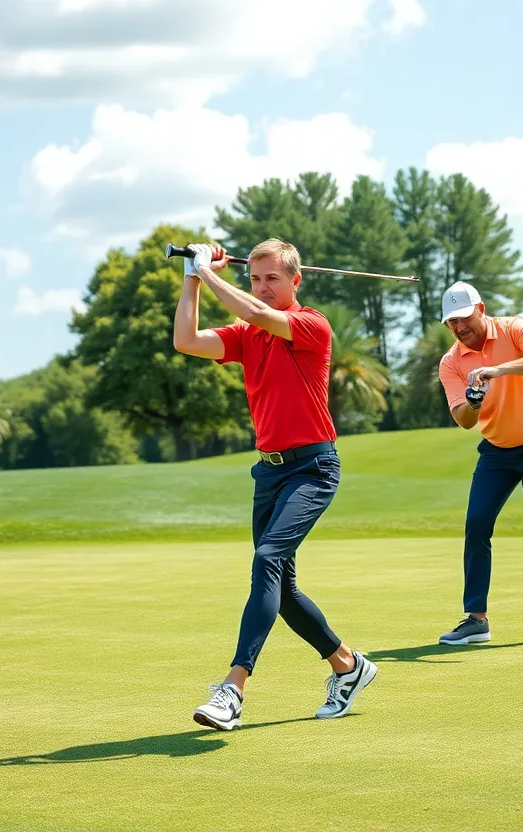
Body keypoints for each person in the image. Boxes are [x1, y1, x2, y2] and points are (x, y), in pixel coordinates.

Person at [172, 239, 377, 731]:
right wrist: (193, 278)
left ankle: (233, 689)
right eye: (255, 279)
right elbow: (186, 340)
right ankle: (348, 665)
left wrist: (211, 272)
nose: (262, 287)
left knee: (267, 559)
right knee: (281, 589)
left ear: (295, 281)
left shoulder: (312, 326)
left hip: (313, 467)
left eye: (272, 279)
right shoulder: (247, 335)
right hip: (269, 472)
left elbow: (260, 315)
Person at [434, 281, 523, 647]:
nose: (459, 328)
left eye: (463, 319)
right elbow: (463, 419)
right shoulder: (451, 362)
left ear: (481, 309)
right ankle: (477, 620)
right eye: (451, 323)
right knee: (476, 524)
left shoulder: (513, 328)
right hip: (496, 450)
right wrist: (474, 400)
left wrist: (499, 370)